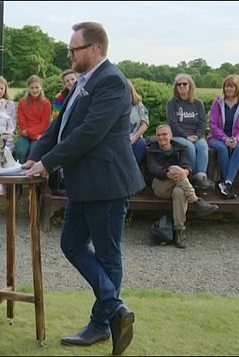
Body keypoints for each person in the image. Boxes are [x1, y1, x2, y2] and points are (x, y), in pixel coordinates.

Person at [23, 21, 143, 356]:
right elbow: (59, 127)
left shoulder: (112, 82)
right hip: (85, 184)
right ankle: (115, 309)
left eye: (74, 49)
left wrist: (47, 164)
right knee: (71, 243)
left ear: (95, 49)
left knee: (107, 255)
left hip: (106, 183)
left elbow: (89, 133)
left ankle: (100, 325)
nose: (69, 54)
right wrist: (32, 158)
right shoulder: (84, 81)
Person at [146, 125, 219, 248]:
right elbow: (153, 169)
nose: (161, 137)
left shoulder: (180, 148)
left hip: (179, 185)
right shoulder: (151, 150)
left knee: (180, 192)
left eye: (164, 134)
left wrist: (186, 172)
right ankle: (196, 201)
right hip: (160, 185)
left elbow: (187, 165)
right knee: (174, 168)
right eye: (158, 135)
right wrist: (167, 173)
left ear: (171, 135)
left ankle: (178, 232)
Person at [166, 73, 215, 191]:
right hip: (179, 136)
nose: (181, 86)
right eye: (178, 84)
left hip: (196, 136)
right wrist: (186, 136)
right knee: (189, 147)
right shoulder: (172, 104)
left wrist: (197, 136)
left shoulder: (198, 103)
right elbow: (173, 124)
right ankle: (190, 175)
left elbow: (202, 123)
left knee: (202, 146)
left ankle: (201, 176)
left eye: (184, 84)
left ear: (190, 86)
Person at [207, 74, 239, 199]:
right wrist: (225, 139)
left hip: (237, 138)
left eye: (232, 87)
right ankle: (228, 185)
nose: (229, 89)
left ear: (237, 88)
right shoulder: (218, 102)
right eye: (227, 86)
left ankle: (226, 183)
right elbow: (213, 124)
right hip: (218, 137)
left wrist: (236, 138)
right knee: (222, 148)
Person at [49, 69, 77, 194]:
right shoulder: (60, 98)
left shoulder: (83, 92)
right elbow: (56, 117)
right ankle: (62, 183)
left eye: (72, 79)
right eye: (67, 81)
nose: (70, 82)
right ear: (64, 84)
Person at [16, 75, 51, 164]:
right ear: (28, 88)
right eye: (32, 88)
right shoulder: (22, 103)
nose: (35, 90)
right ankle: (18, 173)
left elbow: (44, 124)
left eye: (37, 87)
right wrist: (29, 133)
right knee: (21, 152)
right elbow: (21, 122)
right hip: (25, 135)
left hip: (39, 135)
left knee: (34, 152)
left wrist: (31, 133)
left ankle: (32, 175)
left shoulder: (46, 103)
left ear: (41, 87)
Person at [127, 80, 150, 165]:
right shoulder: (113, 104)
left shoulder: (138, 105)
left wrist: (134, 137)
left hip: (135, 138)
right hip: (118, 138)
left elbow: (145, 124)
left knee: (141, 144)